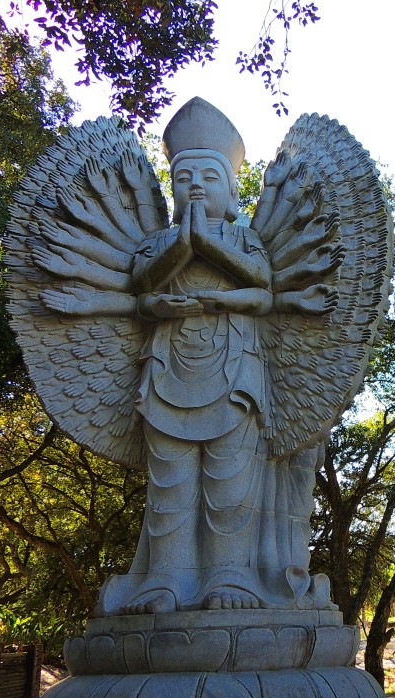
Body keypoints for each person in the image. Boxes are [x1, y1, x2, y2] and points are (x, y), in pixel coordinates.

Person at [121, 101, 274, 614]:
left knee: (230, 482)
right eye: (183, 177)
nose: (196, 186)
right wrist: (178, 255)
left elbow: (262, 287)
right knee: (170, 482)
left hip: (234, 370)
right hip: (168, 369)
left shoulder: (242, 238)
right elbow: (142, 288)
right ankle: (164, 579)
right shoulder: (159, 244)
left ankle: (229, 575)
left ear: (232, 192)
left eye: (210, 176)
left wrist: (206, 244)